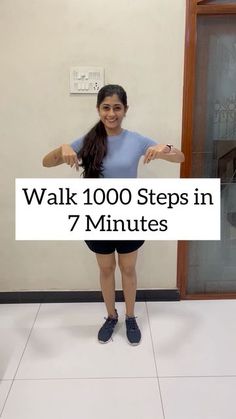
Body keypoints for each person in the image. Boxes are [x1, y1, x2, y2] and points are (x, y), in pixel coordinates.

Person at [42, 84, 184, 346]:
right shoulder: (87, 140)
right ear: (98, 109)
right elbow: (46, 162)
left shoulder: (137, 139)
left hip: (129, 217)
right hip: (97, 218)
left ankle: (130, 317)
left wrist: (166, 148)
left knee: (128, 269)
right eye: (106, 107)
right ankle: (111, 316)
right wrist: (62, 146)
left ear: (125, 110)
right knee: (106, 269)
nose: (111, 113)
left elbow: (181, 158)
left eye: (117, 108)